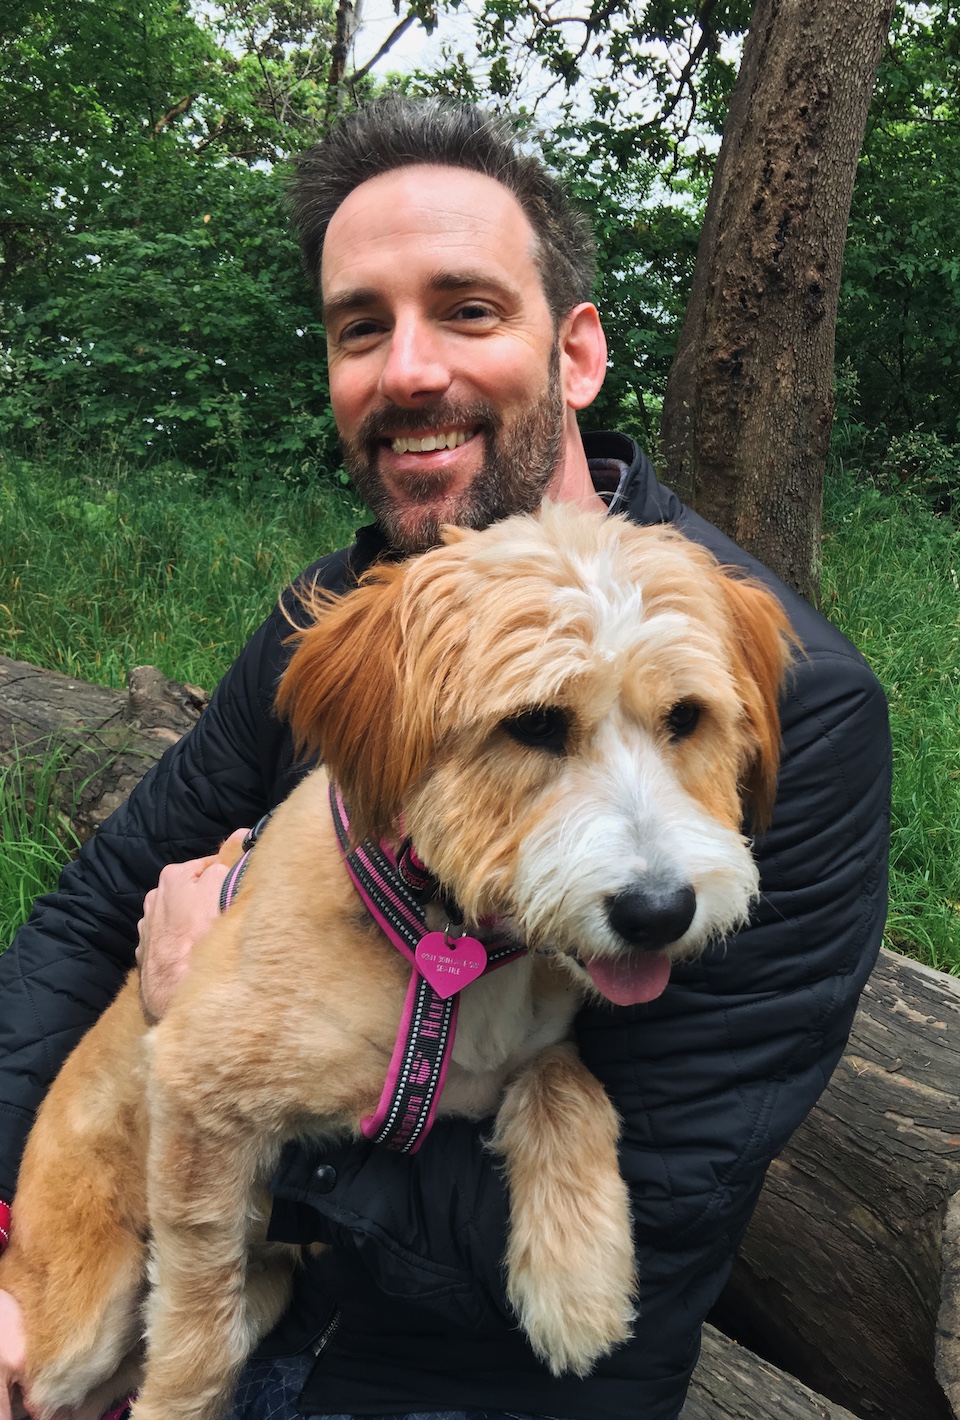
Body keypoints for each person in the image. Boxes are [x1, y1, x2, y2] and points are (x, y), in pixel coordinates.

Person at [0, 95, 890, 1420]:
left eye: (468, 309)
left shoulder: (792, 706)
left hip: (464, 1370)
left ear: (578, 351)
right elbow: (91, 910)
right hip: (224, 1271)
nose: (408, 369)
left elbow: (657, 1205)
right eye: (364, 327)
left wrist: (219, 1029)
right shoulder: (346, 622)